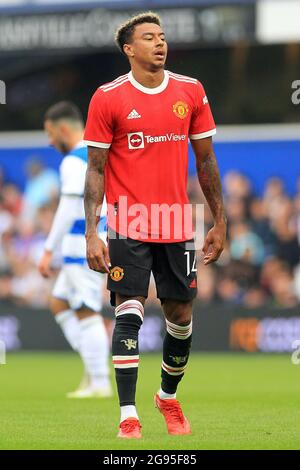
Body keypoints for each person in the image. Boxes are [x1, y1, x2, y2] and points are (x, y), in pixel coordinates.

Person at [84, 12, 226, 438]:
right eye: (149, 37)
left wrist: (219, 220)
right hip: (127, 219)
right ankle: (128, 413)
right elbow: (95, 170)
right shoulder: (107, 97)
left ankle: (167, 396)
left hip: (179, 220)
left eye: (162, 37)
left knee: (180, 316)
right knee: (129, 311)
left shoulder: (191, 91)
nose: (159, 43)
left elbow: (205, 160)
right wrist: (92, 230)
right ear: (129, 49)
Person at [38, 101, 111, 398]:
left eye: (50, 133)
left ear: (63, 129)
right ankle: (94, 366)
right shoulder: (95, 154)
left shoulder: (73, 160)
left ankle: (101, 381)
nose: (49, 141)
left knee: (86, 309)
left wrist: (47, 249)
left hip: (81, 244)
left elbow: (68, 208)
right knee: (59, 302)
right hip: (89, 240)